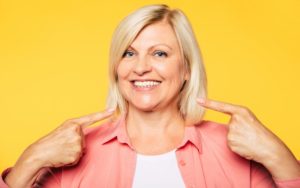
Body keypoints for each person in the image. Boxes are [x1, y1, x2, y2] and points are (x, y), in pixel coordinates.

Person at [1, 4, 300, 188]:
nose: (141, 67)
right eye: (129, 53)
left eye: (159, 53)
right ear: (116, 67)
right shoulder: (70, 152)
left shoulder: (235, 151)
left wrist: (280, 158)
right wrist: (33, 158)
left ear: (186, 69)